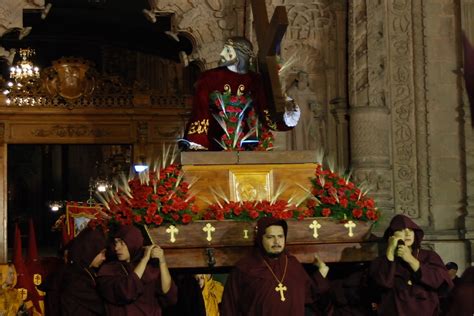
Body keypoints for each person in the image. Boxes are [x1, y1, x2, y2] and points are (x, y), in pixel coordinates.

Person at [182, 36, 300, 151]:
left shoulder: (255, 80)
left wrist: (287, 114)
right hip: (213, 144)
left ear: (239, 54)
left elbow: (265, 112)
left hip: (247, 146)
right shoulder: (209, 78)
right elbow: (200, 111)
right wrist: (197, 141)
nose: (222, 54)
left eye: (227, 50)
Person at [220, 216, 331, 316]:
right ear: (260, 238)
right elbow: (229, 307)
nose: (276, 241)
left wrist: (322, 272)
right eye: (270, 237)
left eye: (280, 236)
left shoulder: (293, 265)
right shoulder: (244, 269)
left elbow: (309, 294)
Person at [369, 214, 453, 316]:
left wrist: (410, 259)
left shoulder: (429, 256)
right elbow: (383, 284)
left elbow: (441, 283)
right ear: (392, 235)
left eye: (411, 230)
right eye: (402, 230)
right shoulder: (381, 261)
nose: (408, 233)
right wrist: (390, 252)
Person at [97, 225, 177, 315]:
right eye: (116, 243)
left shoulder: (150, 268)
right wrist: (144, 259)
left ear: (133, 242)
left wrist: (162, 262)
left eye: (122, 243)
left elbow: (169, 295)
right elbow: (126, 291)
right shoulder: (109, 270)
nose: (116, 248)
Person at [59, 227, 107, 315]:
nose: (104, 258)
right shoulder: (77, 279)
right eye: (102, 253)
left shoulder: (85, 272)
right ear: (91, 250)